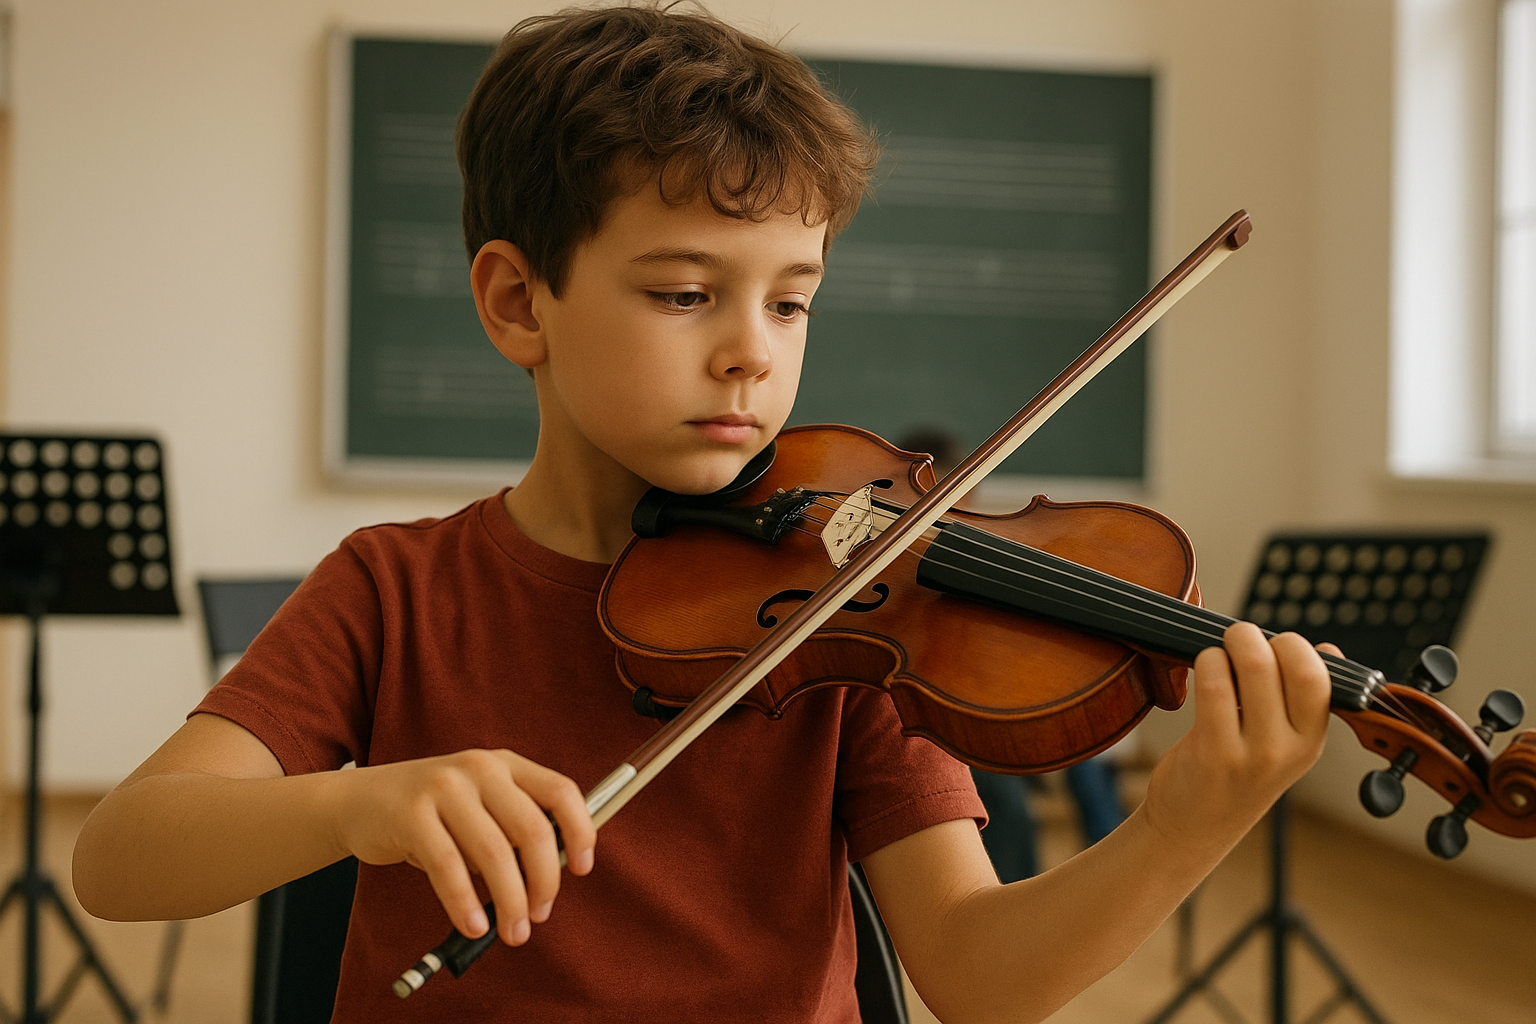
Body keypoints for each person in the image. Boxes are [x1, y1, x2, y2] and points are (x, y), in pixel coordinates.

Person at [70, 7, 1334, 1024]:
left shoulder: (860, 613)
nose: (751, 353)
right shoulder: (395, 589)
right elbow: (122, 856)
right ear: (519, 302)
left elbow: (978, 977)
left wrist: (1179, 830)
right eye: (685, 293)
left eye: (791, 303)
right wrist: (360, 803)